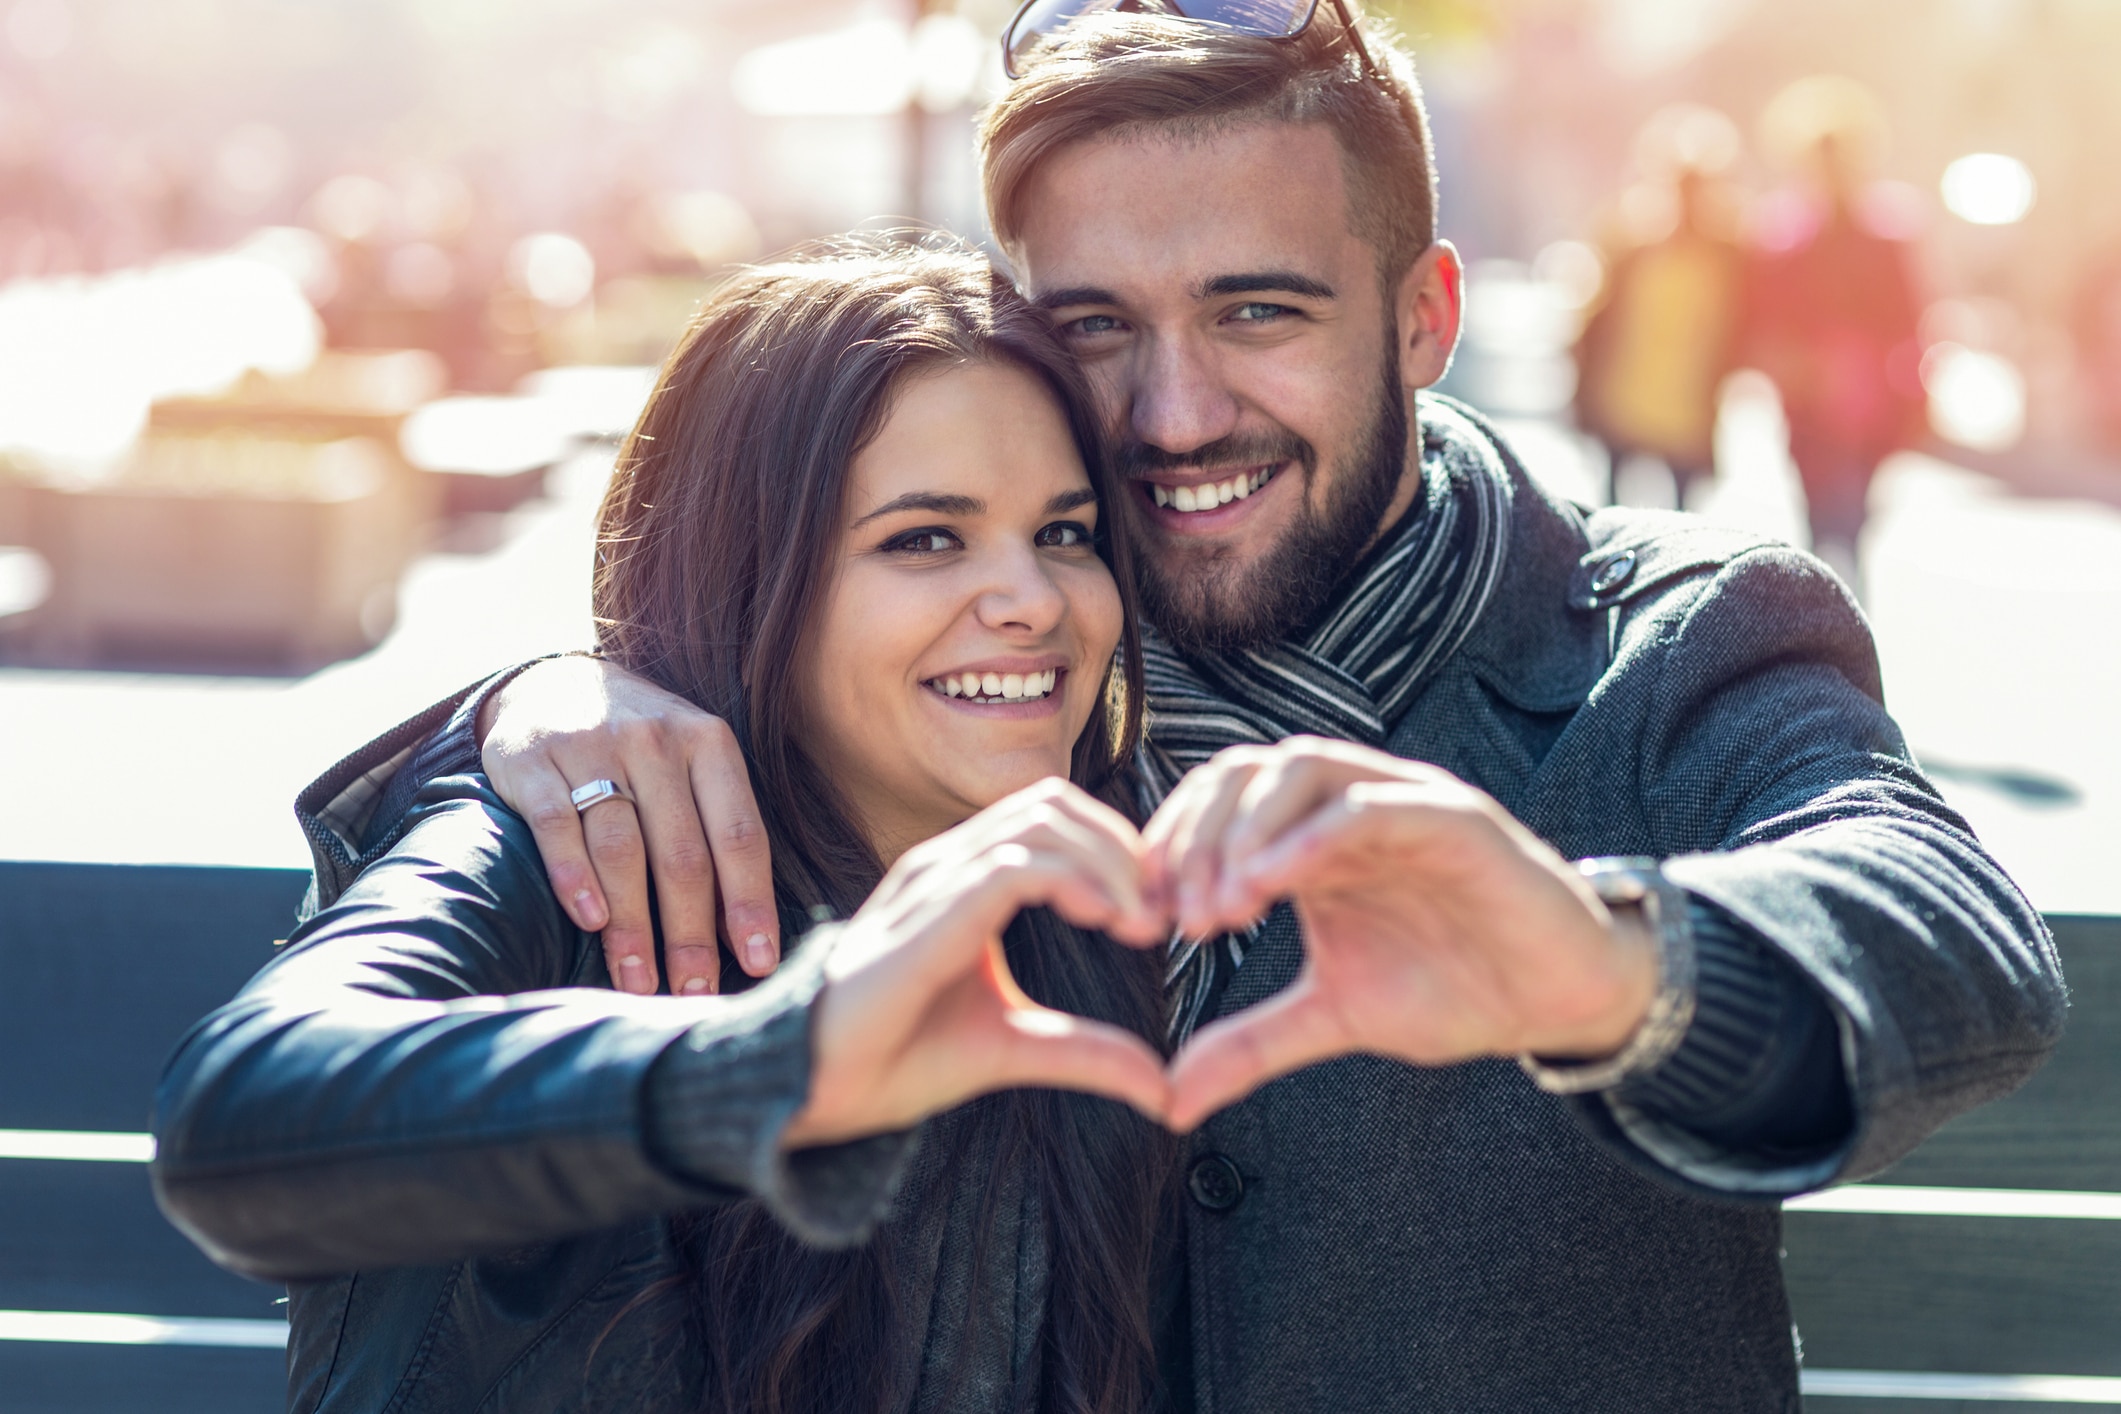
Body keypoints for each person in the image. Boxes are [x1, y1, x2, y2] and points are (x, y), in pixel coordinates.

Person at [279, 6, 2061, 1411]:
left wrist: (1605, 965)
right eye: (1099, 329)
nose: (1172, 411)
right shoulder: (998, 683)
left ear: (1425, 315)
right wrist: (545, 690)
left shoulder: (1662, 643)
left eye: (1257, 311)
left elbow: (1948, 934)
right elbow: (750, 594)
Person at [153, 238, 1191, 1413]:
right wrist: (768, 1071)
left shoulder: (1106, 888)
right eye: (924, 539)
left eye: (1064, 533)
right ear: (751, 576)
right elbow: (241, 1121)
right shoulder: (570, 845)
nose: (1036, 601)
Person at [1741, 77, 1927, 580]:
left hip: (1870, 404)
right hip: (1809, 401)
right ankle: (1826, 612)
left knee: (1851, 519)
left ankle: (1840, 614)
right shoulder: (1785, 235)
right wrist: (1796, 365)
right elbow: (1765, 316)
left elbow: (1909, 319)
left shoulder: (1885, 232)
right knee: (1822, 517)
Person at [1574, 106, 1749, 510]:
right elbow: (1594, 323)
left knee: (1683, 523)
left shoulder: (1729, 257)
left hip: (1687, 416)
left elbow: (1739, 332)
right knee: (1615, 515)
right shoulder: (1630, 247)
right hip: (1623, 405)